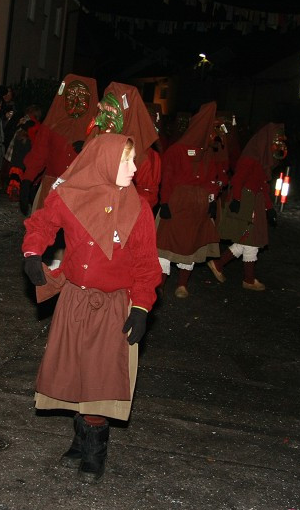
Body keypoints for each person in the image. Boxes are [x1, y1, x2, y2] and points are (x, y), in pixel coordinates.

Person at [22, 133, 161, 483]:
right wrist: (32, 252)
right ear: (103, 163)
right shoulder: (70, 195)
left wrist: (142, 307)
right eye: (125, 161)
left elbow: (146, 263)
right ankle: (80, 439)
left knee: (101, 376)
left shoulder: (138, 208)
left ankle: (95, 452)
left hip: (113, 305)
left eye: (134, 160)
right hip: (74, 299)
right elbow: (41, 223)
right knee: (74, 371)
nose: (134, 169)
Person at [156, 102, 228, 298]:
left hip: (197, 207)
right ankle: (159, 285)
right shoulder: (176, 151)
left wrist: (212, 201)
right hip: (176, 204)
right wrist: (165, 202)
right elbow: (167, 179)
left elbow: (211, 179)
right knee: (165, 245)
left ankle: (182, 284)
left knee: (190, 246)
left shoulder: (207, 153)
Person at [211, 123, 287, 291]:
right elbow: (238, 180)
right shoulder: (251, 157)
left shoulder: (262, 160)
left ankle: (219, 263)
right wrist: (237, 200)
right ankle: (248, 279)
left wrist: (269, 208)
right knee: (250, 239)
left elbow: (263, 187)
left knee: (246, 239)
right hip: (247, 201)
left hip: (256, 202)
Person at [19, 74, 98, 215]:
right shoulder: (52, 124)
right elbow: (39, 154)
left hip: (80, 194)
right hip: (51, 190)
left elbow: (103, 162)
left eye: (82, 97)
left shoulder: (95, 130)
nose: (76, 101)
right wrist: (27, 181)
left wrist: (88, 148)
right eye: (72, 95)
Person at [86, 82, 161, 209]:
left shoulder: (144, 156)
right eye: (103, 112)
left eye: (112, 113)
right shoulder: (97, 141)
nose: (104, 120)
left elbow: (148, 196)